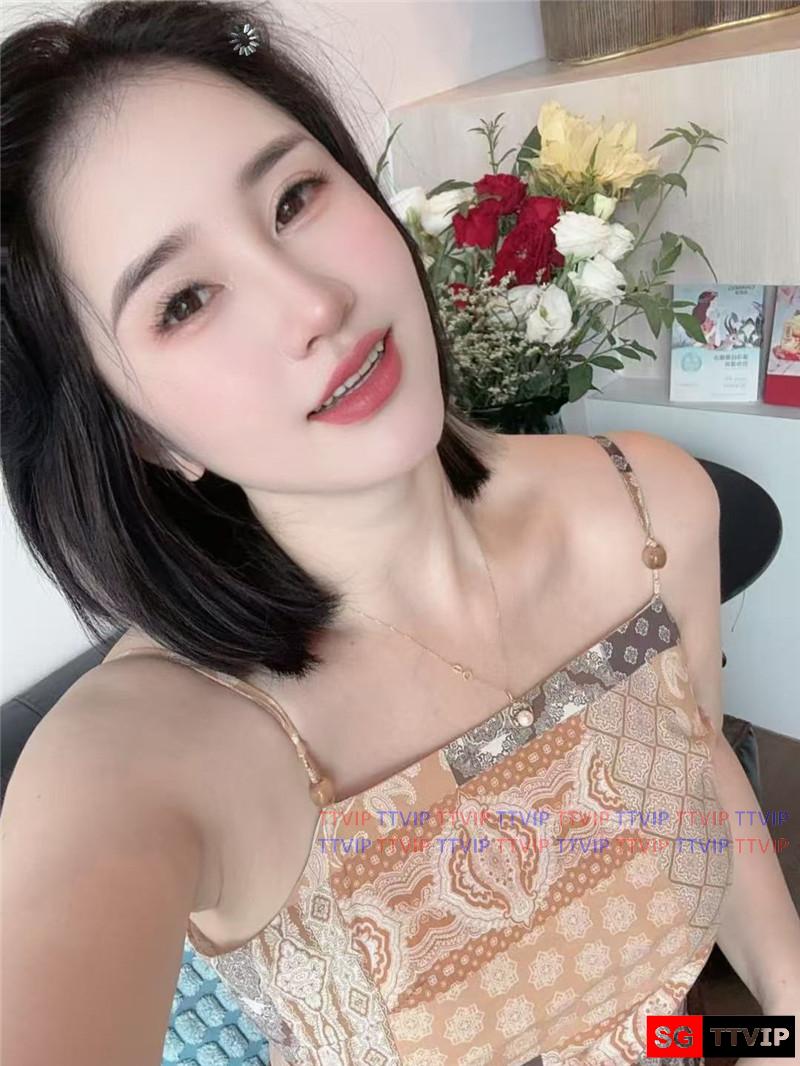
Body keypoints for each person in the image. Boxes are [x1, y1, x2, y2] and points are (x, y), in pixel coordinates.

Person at [2, 3, 799, 1065]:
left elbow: (696, 775)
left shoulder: (648, 509)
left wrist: (780, 1020)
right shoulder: (148, 752)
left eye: (294, 198)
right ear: (139, 433)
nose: (312, 303)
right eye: (185, 300)